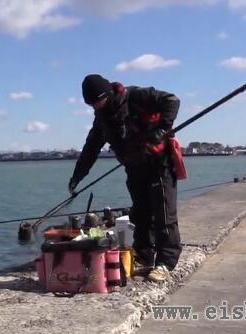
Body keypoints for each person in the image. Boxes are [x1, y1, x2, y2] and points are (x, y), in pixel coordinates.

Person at [68, 74, 182, 283]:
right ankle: (145, 257)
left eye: (97, 101)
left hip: (159, 163)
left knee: (164, 214)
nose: (96, 107)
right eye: (91, 104)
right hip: (134, 167)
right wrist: (77, 177)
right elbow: (91, 147)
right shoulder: (102, 116)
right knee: (140, 213)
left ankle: (166, 263)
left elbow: (172, 100)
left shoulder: (136, 96)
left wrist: (163, 129)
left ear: (108, 94)